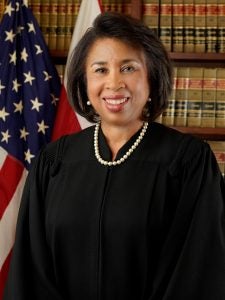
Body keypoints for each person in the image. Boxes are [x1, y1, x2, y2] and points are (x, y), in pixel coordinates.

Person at [3, 11, 225, 300]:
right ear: (84, 82)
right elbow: (30, 268)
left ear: (152, 77)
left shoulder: (187, 161)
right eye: (100, 69)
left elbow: (197, 269)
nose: (114, 83)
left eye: (129, 68)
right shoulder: (54, 161)